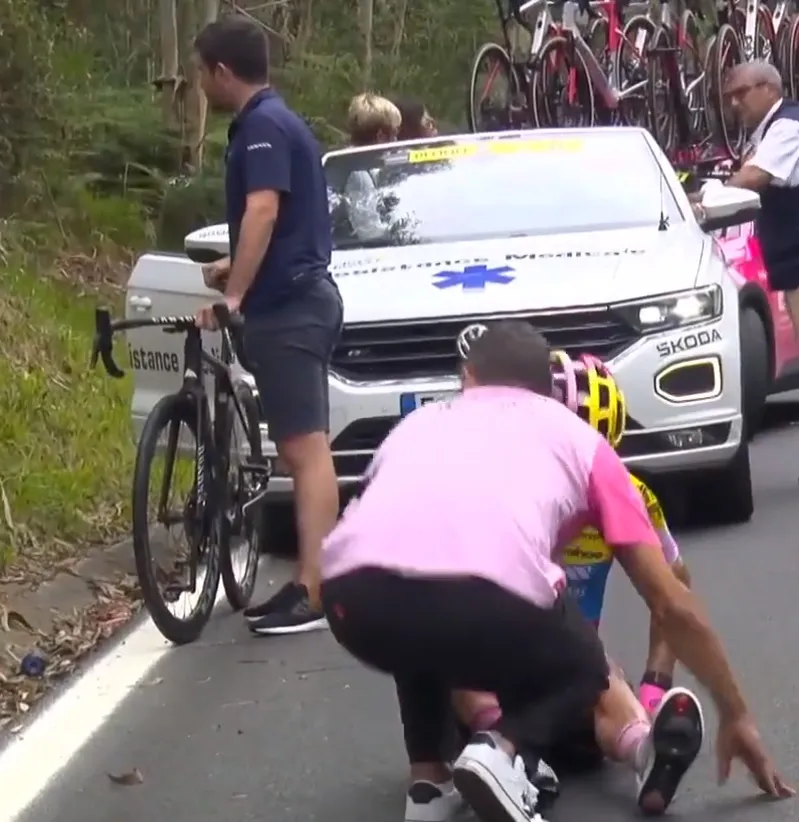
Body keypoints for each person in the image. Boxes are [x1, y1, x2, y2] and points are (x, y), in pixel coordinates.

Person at [320, 320, 792, 822]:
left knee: (415, 610)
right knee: (586, 662)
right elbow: (671, 599)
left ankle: (428, 788)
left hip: (351, 601)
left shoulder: (415, 426)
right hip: (483, 604)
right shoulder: (581, 443)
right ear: (548, 392)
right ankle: (504, 751)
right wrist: (735, 712)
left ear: (468, 376)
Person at [451, 351, 704, 819]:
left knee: (598, 671)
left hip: (568, 680)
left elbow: (675, 590)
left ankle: (644, 750)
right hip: (497, 680)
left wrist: (655, 684)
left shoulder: (631, 497)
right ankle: (507, 753)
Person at [192, 16, 343, 635]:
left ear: (221, 72)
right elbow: (290, 222)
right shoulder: (279, 121)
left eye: (200, 73)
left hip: (293, 306)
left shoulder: (261, 128)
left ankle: (316, 591)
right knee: (299, 448)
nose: (199, 84)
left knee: (306, 452)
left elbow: (263, 208)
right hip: (298, 294)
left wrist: (234, 292)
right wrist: (236, 261)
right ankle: (312, 581)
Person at [722, 61, 799, 343]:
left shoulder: (788, 126)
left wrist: (711, 196)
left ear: (768, 90)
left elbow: (755, 175)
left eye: (740, 93)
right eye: (730, 96)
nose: (734, 103)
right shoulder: (769, 131)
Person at [343, 93, 400, 241]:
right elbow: (369, 233)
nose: (396, 142)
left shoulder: (352, 164)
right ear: (381, 137)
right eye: (394, 134)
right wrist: (399, 231)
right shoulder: (359, 176)